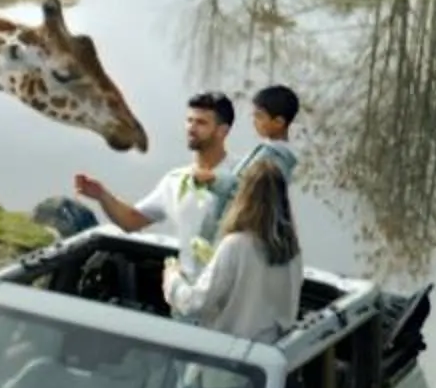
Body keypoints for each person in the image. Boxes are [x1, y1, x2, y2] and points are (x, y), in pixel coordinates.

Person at [55, 91, 236, 248]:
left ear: (222, 131)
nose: (191, 128)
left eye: (201, 123)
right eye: (189, 121)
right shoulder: (176, 180)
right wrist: (102, 195)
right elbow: (132, 221)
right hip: (191, 280)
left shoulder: (245, 174)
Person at [164, 159, 304, 345]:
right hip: (271, 358)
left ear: (244, 197)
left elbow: (194, 303)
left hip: (231, 360)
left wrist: (172, 278)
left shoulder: (236, 245)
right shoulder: (293, 252)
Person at [194, 83, 304, 259]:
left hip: (236, 235)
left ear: (279, 122)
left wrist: (213, 179)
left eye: (260, 116)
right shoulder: (266, 151)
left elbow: (247, 189)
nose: (254, 121)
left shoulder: (275, 159)